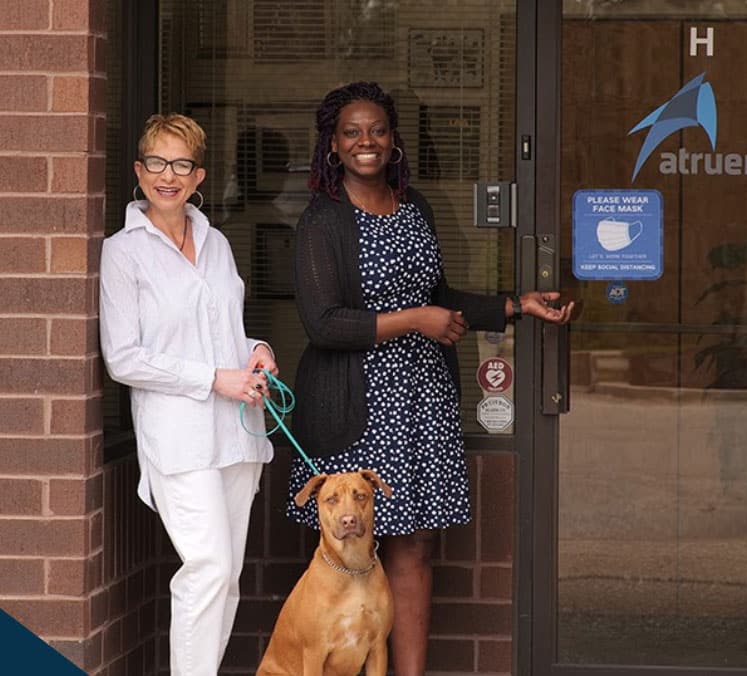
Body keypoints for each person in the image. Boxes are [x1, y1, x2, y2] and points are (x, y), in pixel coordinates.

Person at [285, 82, 574, 675]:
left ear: (393, 141)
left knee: (415, 543)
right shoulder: (321, 221)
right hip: (356, 403)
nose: (366, 141)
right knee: (350, 548)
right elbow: (323, 323)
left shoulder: (414, 206)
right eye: (351, 133)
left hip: (421, 398)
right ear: (333, 146)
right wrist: (418, 320)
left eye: (377, 130)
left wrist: (514, 306)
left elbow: (436, 297)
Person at [99, 113, 278, 676]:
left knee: (225, 580)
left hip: (235, 432)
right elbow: (123, 357)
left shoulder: (216, 241)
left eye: (180, 164)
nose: (167, 175)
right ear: (139, 169)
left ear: (198, 175)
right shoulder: (123, 252)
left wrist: (258, 350)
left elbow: (223, 329)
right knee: (207, 566)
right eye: (156, 162)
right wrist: (212, 379)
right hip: (178, 435)